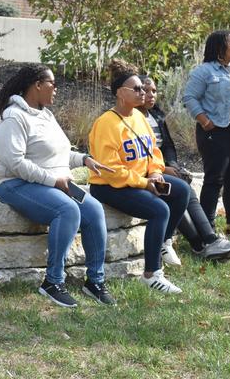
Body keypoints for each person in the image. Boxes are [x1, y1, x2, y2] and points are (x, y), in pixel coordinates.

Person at [0, 64, 116, 308]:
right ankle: (53, 282)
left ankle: (95, 282)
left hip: (53, 184)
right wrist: (53, 181)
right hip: (14, 183)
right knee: (67, 210)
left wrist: (83, 160)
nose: (56, 90)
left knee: (94, 210)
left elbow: (56, 155)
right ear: (37, 85)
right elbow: (14, 163)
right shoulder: (13, 116)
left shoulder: (45, 114)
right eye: (53, 85)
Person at [88, 60, 191, 294]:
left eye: (143, 89)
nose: (142, 92)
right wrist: (146, 184)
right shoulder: (106, 124)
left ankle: (163, 242)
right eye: (136, 89)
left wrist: (155, 172)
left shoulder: (140, 118)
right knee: (159, 209)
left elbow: (153, 152)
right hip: (108, 186)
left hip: (139, 178)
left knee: (182, 190)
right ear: (119, 93)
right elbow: (110, 171)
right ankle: (152, 274)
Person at [139, 76, 230, 262]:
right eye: (146, 91)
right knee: (177, 191)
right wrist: (163, 170)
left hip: (161, 168)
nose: (150, 95)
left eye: (154, 91)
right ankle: (202, 243)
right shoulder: (129, 119)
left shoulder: (155, 116)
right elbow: (137, 156)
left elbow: (168, 146)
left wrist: (173, 165)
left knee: (185, 188)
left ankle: (208, 243)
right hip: (144, 175)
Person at [183, 30, 230, 238]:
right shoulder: (205, 71)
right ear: (220, 47)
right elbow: (190, 97)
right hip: (217, 134)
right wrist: (204, 120)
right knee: (214, 180)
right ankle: (207, 229)